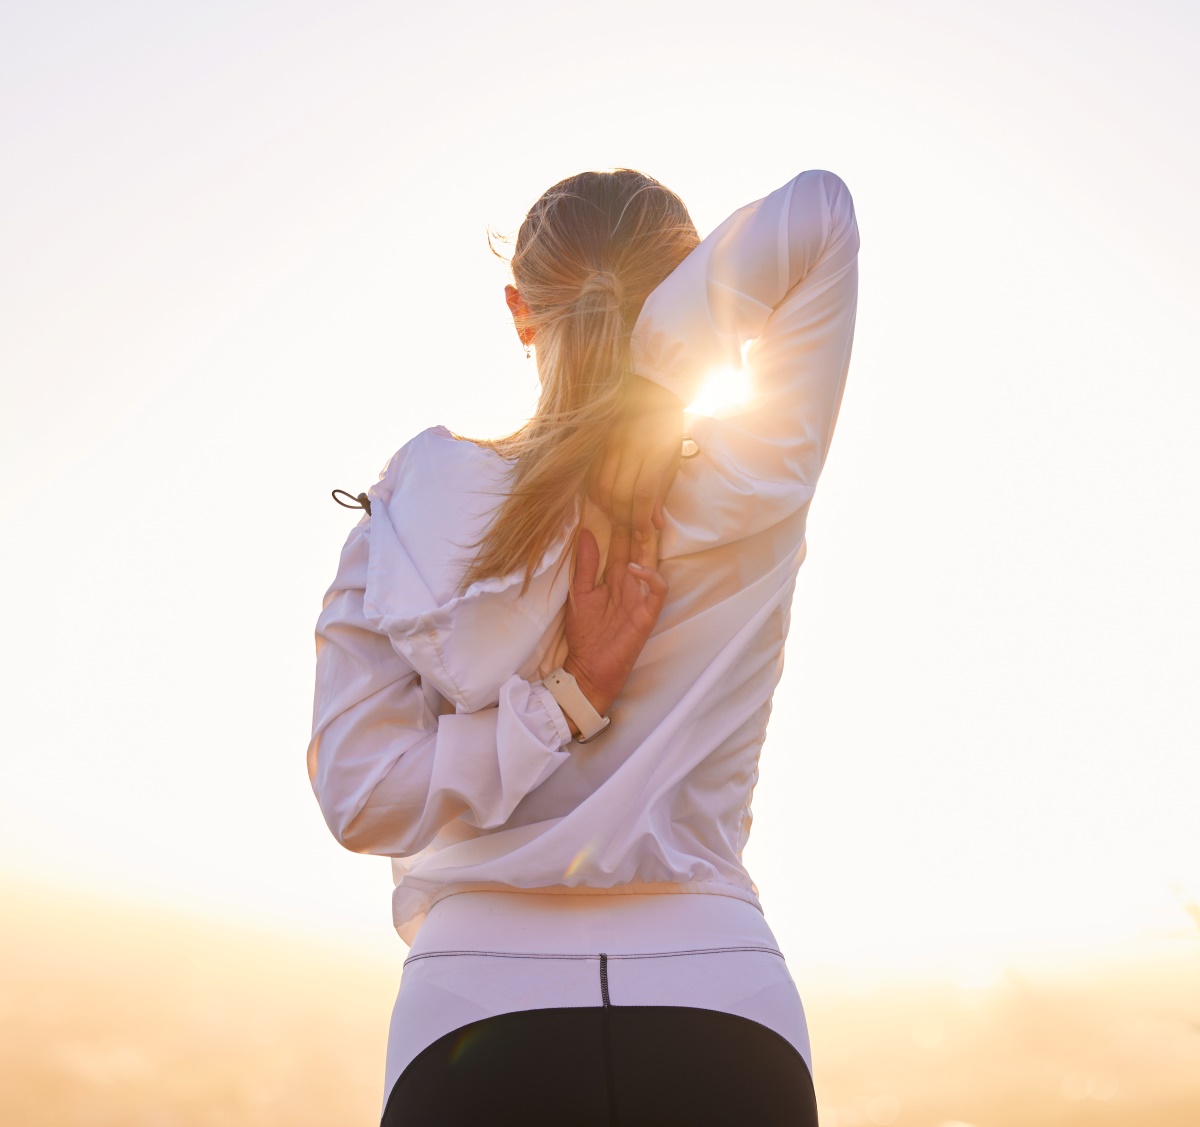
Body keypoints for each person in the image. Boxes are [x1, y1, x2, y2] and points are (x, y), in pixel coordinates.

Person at [309, 165, 859, 1125]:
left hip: (473, 1018)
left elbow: (361, 795)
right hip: (723, 1007)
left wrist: (553, 706)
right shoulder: (755, 476)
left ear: (521, 312)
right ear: (689, 281)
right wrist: (655, 385)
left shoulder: (414, 513)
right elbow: (821, 214)